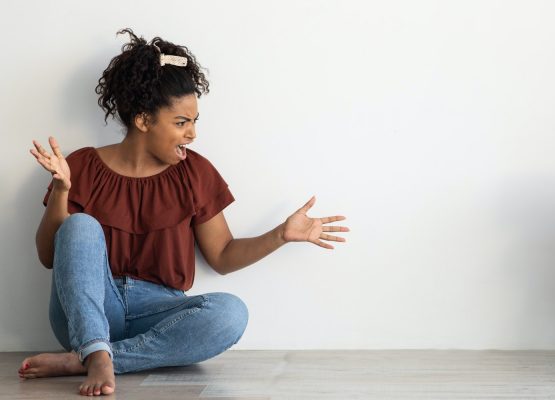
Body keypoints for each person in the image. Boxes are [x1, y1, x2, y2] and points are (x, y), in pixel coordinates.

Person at [19, 28, 349, 397]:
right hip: (89, 308)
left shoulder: (195, 172)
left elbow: (221, 256)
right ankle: (92, 345)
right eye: (181, 122)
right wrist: (63, 191)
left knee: (230, 314)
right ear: (143, 120)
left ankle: (94, 358)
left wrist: (280, 235)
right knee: (78, 225)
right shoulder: (80, 165)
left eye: (194, 121)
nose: (192, 133)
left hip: (158, 310)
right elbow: (49, 256)